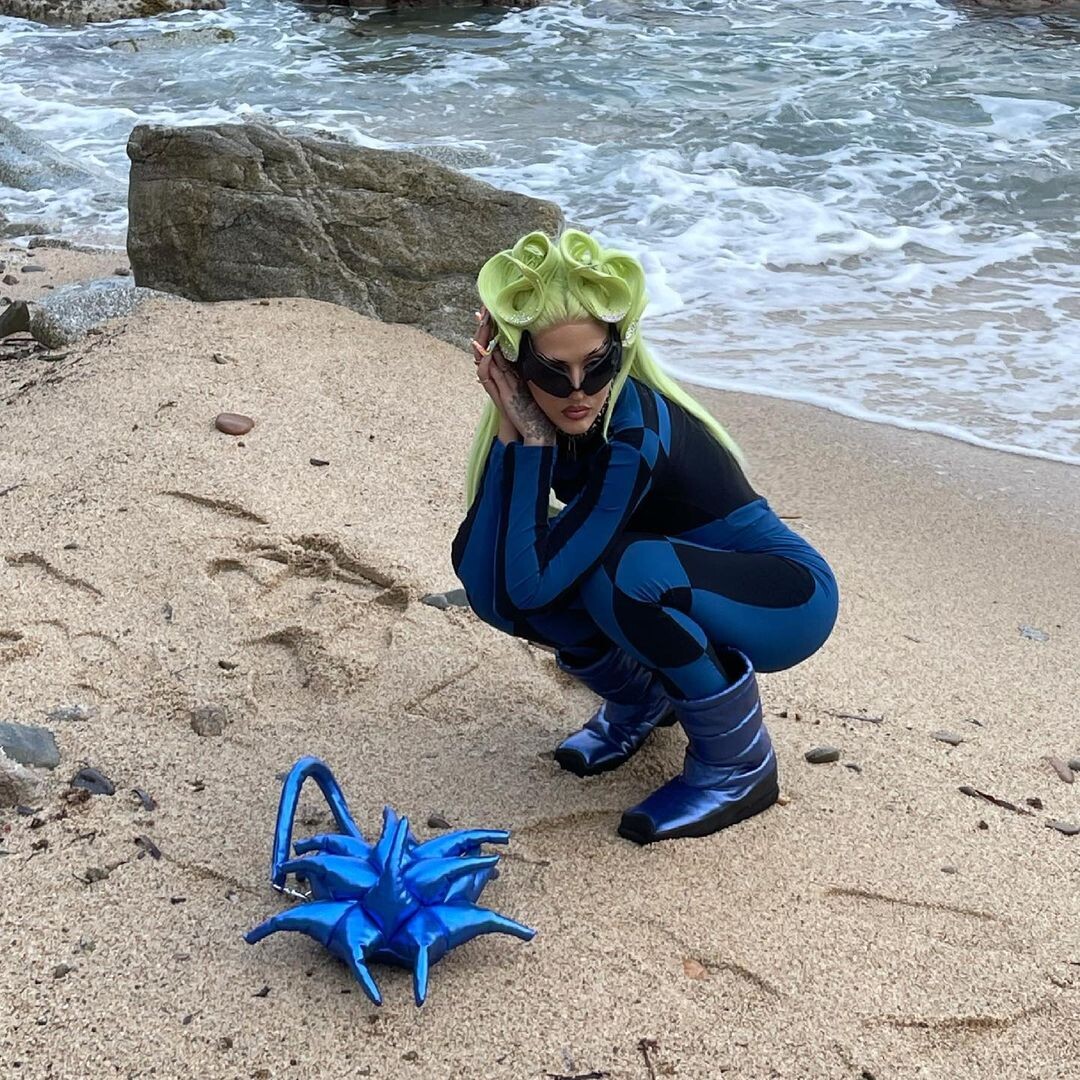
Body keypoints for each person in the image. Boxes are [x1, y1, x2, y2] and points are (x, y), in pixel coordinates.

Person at [451, 229, 839, 845]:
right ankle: (643, 701)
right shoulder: (550, 415)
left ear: (621, 349)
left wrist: (539, 438)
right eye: (553, 371)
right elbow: (490, 577)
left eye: (596, 364)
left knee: (619, 572)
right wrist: (515, 424)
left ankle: (740, 766)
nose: (578, 391)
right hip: (668, 574)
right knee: (492, 568)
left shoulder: (635, 432)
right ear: (514, 366)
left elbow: (534, 585)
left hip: (784, 597)